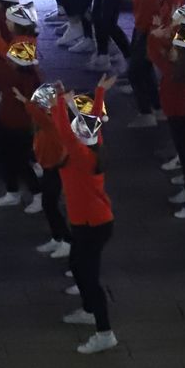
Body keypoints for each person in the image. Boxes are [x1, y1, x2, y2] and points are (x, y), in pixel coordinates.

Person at [51, 77, 117, 353]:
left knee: (88, 277)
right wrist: (98, 92)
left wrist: (58, 103)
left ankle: (104, 332)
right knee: (78, 266)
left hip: (91, 224)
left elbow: (64, 131)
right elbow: (93, 120)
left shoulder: (79, 154)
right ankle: (89, 310)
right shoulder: (94, 146)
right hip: (92, 221)